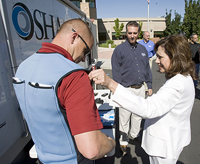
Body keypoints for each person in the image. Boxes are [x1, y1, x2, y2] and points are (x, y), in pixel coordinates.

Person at [13, 19, 115, 164]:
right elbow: (92, 149)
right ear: (75, 37)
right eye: (86, 50)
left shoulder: (23, 67)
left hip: (43, 157)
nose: (84, 57)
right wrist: (111, 143)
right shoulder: (74, 76)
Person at [89, 34, 196, 164]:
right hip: (169, 139)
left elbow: (148, 108)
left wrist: (111, 84)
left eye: (161, 57)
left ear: (175, 58)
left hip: (164, 146)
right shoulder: (183, 77)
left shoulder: (177, 84)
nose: (157, 61)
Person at [111, 21, 153, 154]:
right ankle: (123, 142)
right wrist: (118, 90)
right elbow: (116, 71)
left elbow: (147, 68)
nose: (132, 36)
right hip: (126, 89)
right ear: (126, 33)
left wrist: (149, 84)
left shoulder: (143, 50)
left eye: (135, 33)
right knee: (124, 117)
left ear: (138, 33)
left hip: (140, 88)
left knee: (138, 115)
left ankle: (134, 135)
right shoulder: (119, 50)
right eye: (130, 33)